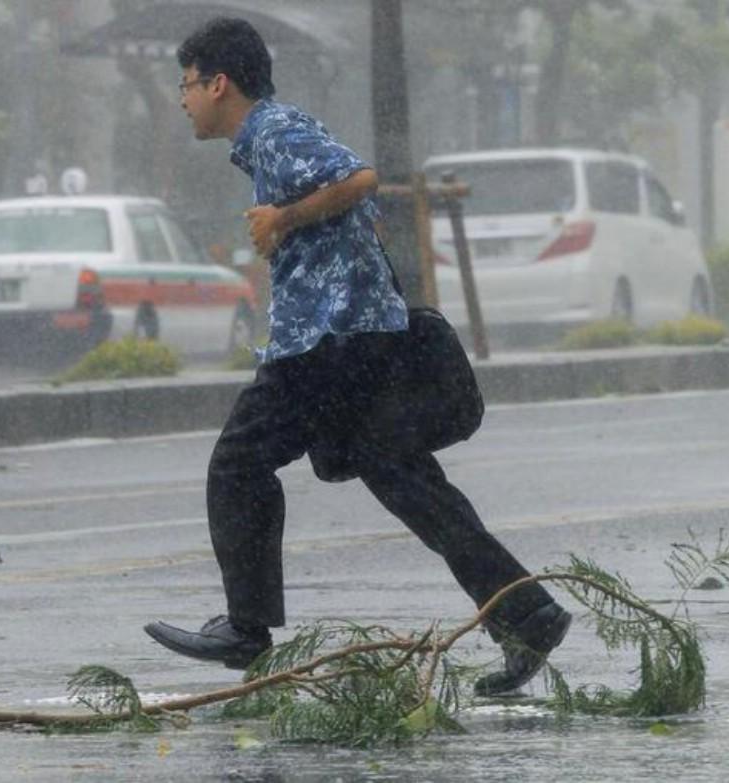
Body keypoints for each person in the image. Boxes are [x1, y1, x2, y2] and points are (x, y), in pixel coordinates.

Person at [143, 16, 570, 696]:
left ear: (218, 83)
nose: (184, 97)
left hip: (327, 340)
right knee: (403, 478)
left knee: (238, 461)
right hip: (356, 334)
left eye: (187, 84)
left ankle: (245, 626)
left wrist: (282, 219)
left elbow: (360, 177)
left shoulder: (275, 133)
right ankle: (527, 613)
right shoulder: (272, 137)